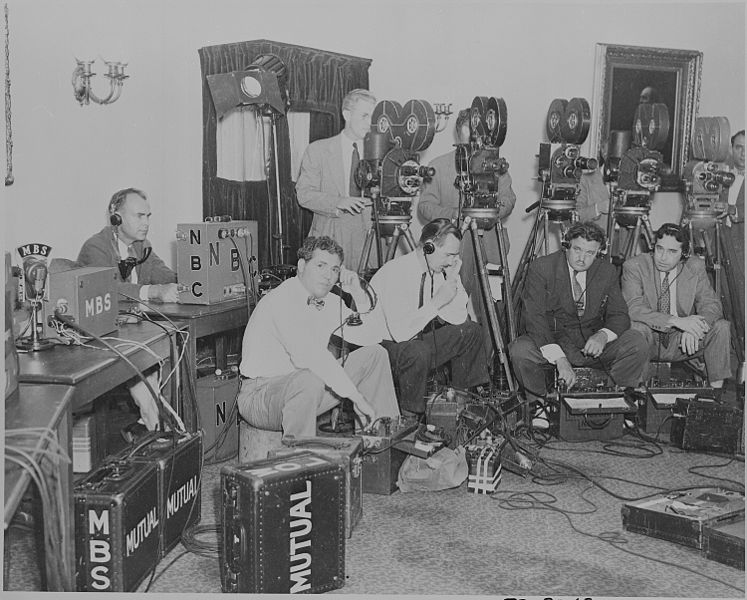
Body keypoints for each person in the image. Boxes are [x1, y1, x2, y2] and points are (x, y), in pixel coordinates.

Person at [237, 236, 400, 438]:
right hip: (260, 396)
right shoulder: (282, 299)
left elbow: (373, 336)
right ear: (302, 266)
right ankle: (300, 461)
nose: (328, 276)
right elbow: (308, 357)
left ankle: (378, 440)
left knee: (375, 355)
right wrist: (357, 398)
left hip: (306, 388)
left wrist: (358, 294)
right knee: (308, 379)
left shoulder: (330, 302)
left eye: (334, 269)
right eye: (321, 265)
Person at [509, 221, 648, 425]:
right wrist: (560, 359)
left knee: (637, 342)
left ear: (599, 252)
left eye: (590, 253)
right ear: (567, 244)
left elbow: (620, 315)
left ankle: (613, 397)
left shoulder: (607, 271)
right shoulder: (541, 268)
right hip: (552, 338)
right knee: (519, 350)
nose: (582, 258)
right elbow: (535, 319)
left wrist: (603, 335)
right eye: (577, 250)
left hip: (591, 344)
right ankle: (540, 405)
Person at [77, 188, 179, 441]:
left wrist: (189, 282)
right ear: (116, 217)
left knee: (171, 353)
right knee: (146, 364)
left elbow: (164, 275)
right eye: (139, 216)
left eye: (148, 216)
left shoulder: (141, 247)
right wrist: (153, 291)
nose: (146, 223)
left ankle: (154, 427)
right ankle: (158, 430)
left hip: (134, 331)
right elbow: (106, 289)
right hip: (101, 337)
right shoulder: (96, 247)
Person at [363, 218, 490, 417]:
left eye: (455, 256)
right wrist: (436, 303)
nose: (451, 261)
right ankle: (410, 416)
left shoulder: (437, 271)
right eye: (448, 255)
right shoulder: (395, 272)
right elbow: (400, 333)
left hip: (414, 343)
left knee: (471, 331)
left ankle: (459, 403)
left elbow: (458, 319)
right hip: (385, 348)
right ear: (428, 247)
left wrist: (453, 278)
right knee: (418, 350)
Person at [417, 108, 516, 356]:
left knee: (492, 308)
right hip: (454, 250)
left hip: (489, 247)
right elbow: (425, 206)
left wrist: (490, 212)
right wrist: (458, 214)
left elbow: (509, 200)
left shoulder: (495, 166)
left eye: (476, 142)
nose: (472, 149)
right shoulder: (438, 166)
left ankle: (491, 366)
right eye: (465, 144)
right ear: (457, 136)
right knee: (451, 309)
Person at [621, 223, 736, 397]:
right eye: (659, 249)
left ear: (684, 254)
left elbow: (711, 304)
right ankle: (636, 398)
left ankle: (714, 397)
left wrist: (696, 327)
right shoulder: (634, 266)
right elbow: (633, 308)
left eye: (672, 252)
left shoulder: (695, 266)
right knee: (637, 328)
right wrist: (679, 322)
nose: (663, 257)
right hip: (649, 339)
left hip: (682, 343)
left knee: (721, 327)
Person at [296, 89, 377, 270]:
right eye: (364, 115)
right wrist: (339, 202)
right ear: (346, 114)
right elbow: (304, 194)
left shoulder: (379, 153)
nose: (370, 123)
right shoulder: (317, 150)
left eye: (373, 116)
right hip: (330, 233)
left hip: (369, 238)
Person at [721, 129, 745, 361]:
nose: (744, 153)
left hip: (743, 251)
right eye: (739, 147)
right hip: (724, 246)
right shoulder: (724, 176)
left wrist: (733, 210)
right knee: (726, 301)